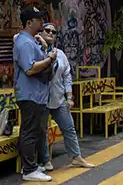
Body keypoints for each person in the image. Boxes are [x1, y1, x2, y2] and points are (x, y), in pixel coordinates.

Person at [36, 23, 95, 171]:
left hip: (58, 97)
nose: (50, 33)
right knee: (41, 130)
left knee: (68, 127)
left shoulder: (60, 54)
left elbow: (67, 76)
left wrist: (69, 97)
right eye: (47, 30)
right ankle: (45, 160)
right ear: (40, 33)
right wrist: (42, 46)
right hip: (41, 98)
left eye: (54, 32)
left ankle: (76, 157)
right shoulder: (36, 51)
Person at [14, 6, 57, 182]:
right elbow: (30, 69)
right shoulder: (24, 43)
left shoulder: (31, 41)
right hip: (29, 94)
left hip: (37, 94)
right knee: (30, 131)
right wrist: (50, 59)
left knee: (34, 130)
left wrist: (45, 49)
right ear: (29, 22)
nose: (42, 22)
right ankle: (29, 169)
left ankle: (31, 164)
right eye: (39, 19)